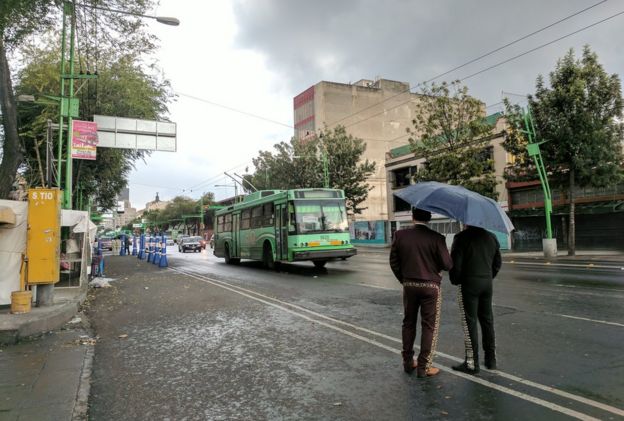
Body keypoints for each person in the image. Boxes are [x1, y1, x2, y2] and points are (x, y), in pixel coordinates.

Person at [390, 208, 453, 378]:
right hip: (430, 287)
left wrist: (403, 279)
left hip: (409, 284)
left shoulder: (400, 235)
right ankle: (424, 367)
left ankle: (408, 362)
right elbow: (448, 265)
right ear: (430, 219)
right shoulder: (437, 238)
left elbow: (394, 262)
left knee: (408, 323)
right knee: (429, 326)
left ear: (412, 217)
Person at [449, 225, 502, 374]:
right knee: (487, 321)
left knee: (469, 322)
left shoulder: (461, 238)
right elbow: (497, 262)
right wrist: (488, 276)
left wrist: (455, 280)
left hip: (469, 284)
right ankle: (491, 360)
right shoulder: (491, 237)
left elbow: (456, 266)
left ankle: (472, 363)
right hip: (487, 283)